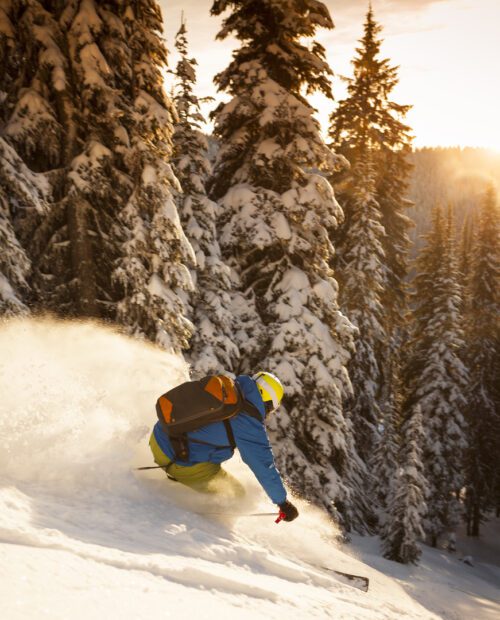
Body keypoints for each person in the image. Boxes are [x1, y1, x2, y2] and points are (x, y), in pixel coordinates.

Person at [149, 371, 299, 522]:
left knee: (213, 466)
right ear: (267, 401)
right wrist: (282, 503)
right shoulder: (248, 422)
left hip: (159, 435)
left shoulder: (228, 387)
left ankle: (180, 483)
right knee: (236, 495)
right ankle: (201, 522)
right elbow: (263, 466)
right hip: (175, 458)